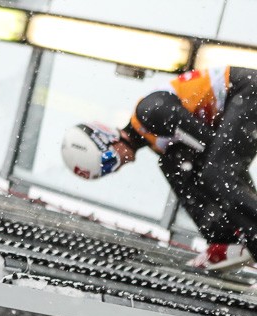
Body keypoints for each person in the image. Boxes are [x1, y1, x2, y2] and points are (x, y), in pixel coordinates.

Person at [60, 66, 257, 271]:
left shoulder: (149, 113)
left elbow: (215, 154)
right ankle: (225, 239)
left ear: (107, 138)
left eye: (110, 162)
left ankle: (247, 237)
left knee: (214, 174)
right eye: (108, 171)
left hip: (246, 90)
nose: (117, 169)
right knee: (176, 166)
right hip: (240, 98)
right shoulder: (157, 141)